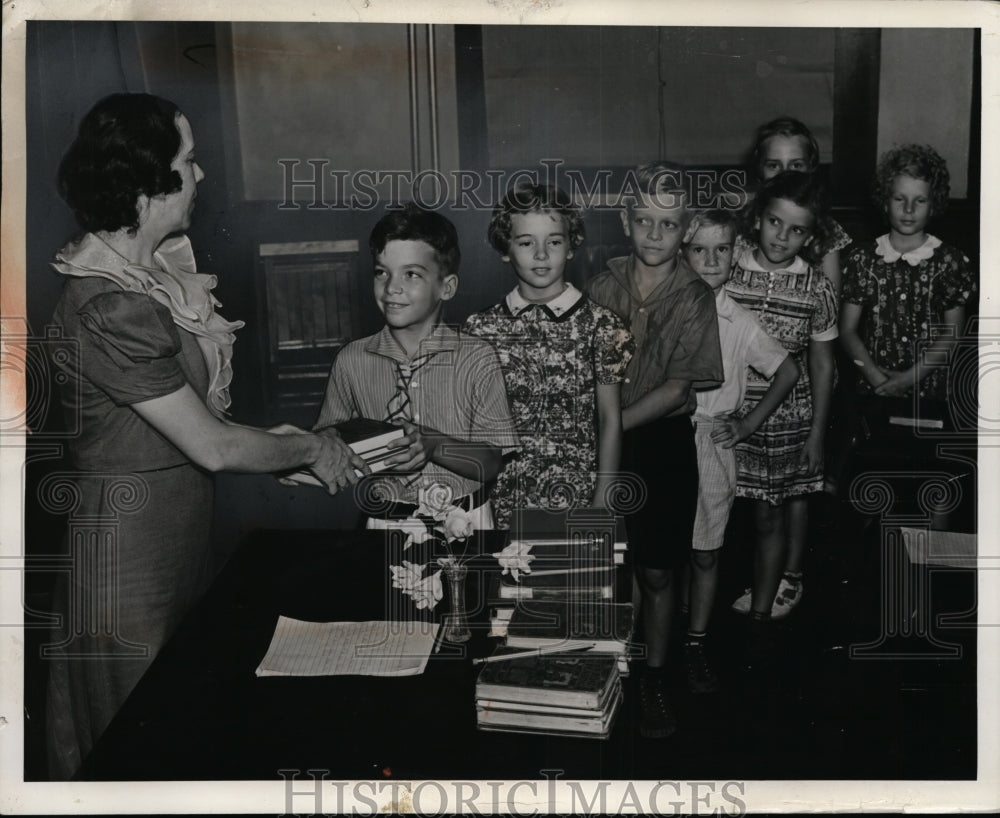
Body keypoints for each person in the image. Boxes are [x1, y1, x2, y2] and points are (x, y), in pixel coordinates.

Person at [44, 93, 365, 779]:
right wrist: (307, 446)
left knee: (183, 732)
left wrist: (275, 438)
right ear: (146, 184)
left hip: (178, 531)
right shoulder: (110, 304)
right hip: (127, 556)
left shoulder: (149, 278)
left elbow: (201, 430)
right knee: (135, 749)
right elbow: (213, 445)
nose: (202, 176)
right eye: (188, 162)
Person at [587, 162, 723, 738]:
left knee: (660, 571)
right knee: (608, 569)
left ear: (685, 227)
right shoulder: (601, 283)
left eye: (667, 224)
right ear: (625, 220)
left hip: (662, 446)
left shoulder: (694, 295)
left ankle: (656, 682)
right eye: (642, 220)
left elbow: (678, 389)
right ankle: (605, 670)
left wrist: (611, 425)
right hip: (602, 443)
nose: (653, 234)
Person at [314, 203, 518, 530]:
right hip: (384, 521)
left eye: (412, 274)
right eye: (382, 271)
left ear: (446, 287)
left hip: (465, 521)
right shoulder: (351, 360)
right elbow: (328, 437)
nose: (392, 287)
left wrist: (433, 444)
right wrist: (310, 451)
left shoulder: (478, 357)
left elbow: (491, 462)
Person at [462, 182, 634, 530]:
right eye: (526, 243)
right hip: (501, 501)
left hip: (578, 496)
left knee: (575, 584)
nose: (541, 255)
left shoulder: (601, 326)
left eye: (554, 242)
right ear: (505, 249)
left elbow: (610, 420)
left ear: (571, 247)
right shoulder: (480, 329)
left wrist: (602, 501)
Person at [680, 210, 799, 692]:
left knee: (705, 552)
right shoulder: (665, 307)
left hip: (712, 438)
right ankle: (651, 642)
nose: (711, 259)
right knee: (662, 553)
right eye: (698, 249)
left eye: (722, 249)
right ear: (682, 253)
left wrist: (747, 424)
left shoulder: (739, 319)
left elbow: (787, 371)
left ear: (735, 252)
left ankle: (695, 644)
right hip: (665, 435)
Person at [724, 171, 838, 644]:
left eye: (797, 230)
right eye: (775, 222)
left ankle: (762, 619)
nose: (782, 237)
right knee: (716, 514)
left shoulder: (816, 288)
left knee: (770, 516)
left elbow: (823, 367)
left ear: (811, 236)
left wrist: (816, 435)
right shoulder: (727, 265)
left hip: (786, 421)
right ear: (759, 216)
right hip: (725, 409)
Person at [839, 144, 976, 517]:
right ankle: (874, 567)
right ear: (885, 200)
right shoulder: (863, 258)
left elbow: (953, 334)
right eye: (900, 199)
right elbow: (848, 329)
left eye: (920, 201)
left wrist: (909, 379)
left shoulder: (949, 262)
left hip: (929, 392)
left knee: (934, 487)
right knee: (875, 486)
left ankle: (929, 563)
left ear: (934, 204)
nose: (909, 210)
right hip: (875, 390)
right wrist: (875, 376)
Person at [738, 116, 852, 294]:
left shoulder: (826, 229)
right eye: (774, 166)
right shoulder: (743, 224)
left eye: (796, 165)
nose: (785, 175)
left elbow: (831, 299)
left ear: (811, 169)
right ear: (759, 170)